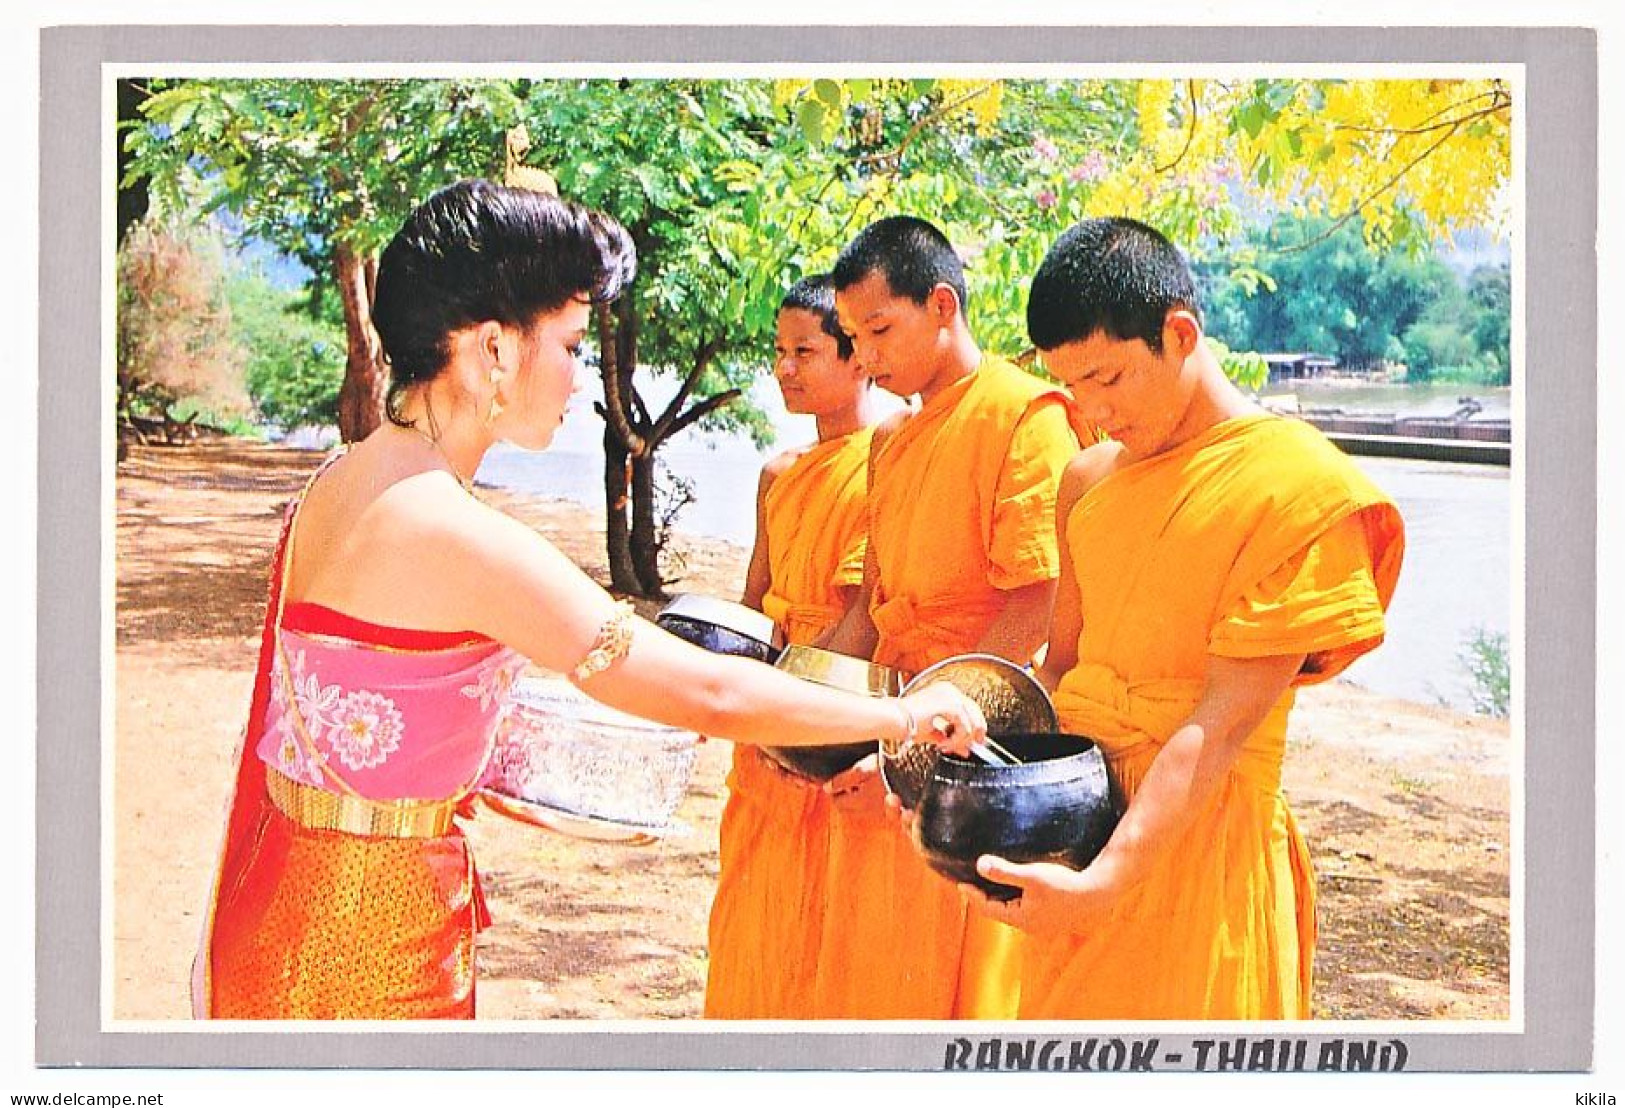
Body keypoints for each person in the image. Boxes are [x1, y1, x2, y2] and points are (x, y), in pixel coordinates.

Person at [191, 181, 986, 1021]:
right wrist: (902, 716)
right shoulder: (450, 528)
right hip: (363, 944)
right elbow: (707, 689)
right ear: (493, 350)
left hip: (291, 905)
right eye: (570, 345)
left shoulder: (345, 476)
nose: (580, 377)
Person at [965, 216, 1405, 1019]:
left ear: (1178, 333)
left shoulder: (1298, 490)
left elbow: (1220, 725)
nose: (1094, 411)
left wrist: (1108, 882)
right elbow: (1059, 670)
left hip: (1197, 852)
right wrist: (976, 776)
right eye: (1074, 389)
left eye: (1109, 379)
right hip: (1082, 824)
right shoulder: (1088, 482)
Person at [812, 216, 1088, 1019]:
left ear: (941, 305)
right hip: (895, 720)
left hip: (969, 743)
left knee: (962, 994)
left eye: (878, 330)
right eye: (854, 337)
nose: (864, 357)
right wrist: (827, 720)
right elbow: (871, 602)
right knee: (869, 986)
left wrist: (913, 753)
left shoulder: (1023, 415)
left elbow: (1034, 604)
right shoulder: (892, 439)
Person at [703, 275, 880, 1019]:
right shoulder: (779, 473)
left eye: (804, 351)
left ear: (857, 359)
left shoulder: (888, 465)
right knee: (754, 928)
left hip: (832, 720)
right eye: (778, 351)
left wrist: (793, 714)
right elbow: (755, 605)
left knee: (834, 939)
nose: (784, 368)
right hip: (770, 724)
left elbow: (865, 617)